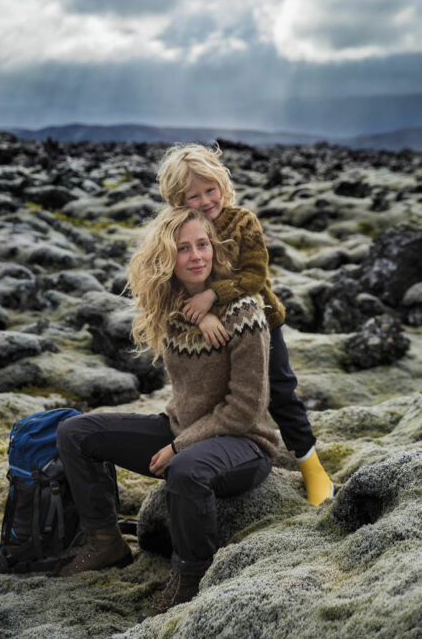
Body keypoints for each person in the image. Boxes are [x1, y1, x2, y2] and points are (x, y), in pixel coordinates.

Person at [56, 206, 277, 618]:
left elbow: (246, 409)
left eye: (203, 244)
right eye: (183, 248)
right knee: (75, 432)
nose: (197, 256)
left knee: (186, 469)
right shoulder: (172, 305)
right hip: (181, 430)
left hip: (245, 444)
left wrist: (180, 445)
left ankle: (192, 576)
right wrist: (179, 439)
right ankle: (105, 540)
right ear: (165, 257)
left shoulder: (244, 310)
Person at [156, 143, 334, 506]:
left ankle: (310, 465)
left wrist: (212, 297)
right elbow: (174, 285)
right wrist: (202, 315)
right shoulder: (181, 233)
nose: (206, 201)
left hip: (262, 322)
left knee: (281, 394)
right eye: (194, 196)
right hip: (214, 334)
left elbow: (255, 275)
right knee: (216, 396)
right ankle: (208, 456)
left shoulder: (243, 222)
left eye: (211, 190)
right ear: (177, 200)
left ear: (222, 184)